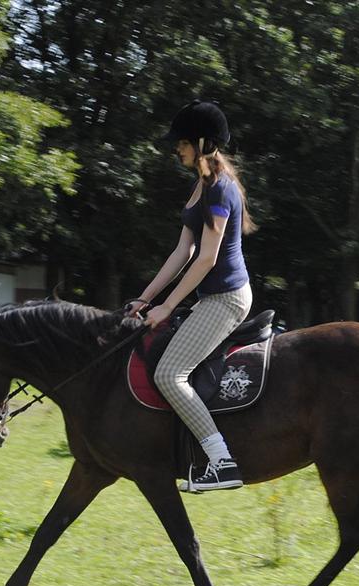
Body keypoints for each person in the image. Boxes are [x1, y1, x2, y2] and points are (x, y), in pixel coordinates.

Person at [126, 100, 258, 492]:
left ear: (202, 142)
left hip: (228, 299)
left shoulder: (220, 189)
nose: (177, 149)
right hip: (211, 297)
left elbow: (207, 258)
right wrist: (146, 298)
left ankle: (222, 462)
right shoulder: (201, 185)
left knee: (170, 374)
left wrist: (168, 306)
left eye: (182, 142)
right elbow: (181, 252)